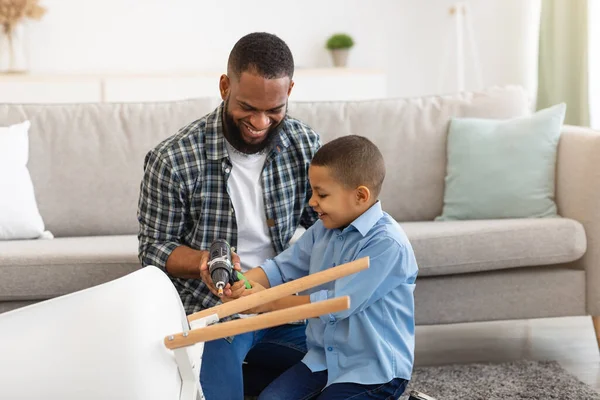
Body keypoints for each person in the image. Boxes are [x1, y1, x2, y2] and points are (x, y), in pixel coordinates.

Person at [136, 32, 321, 398]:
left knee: (352, 370)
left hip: (281, 307)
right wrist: (204, 261)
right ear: (225, 86)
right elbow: (154, 249)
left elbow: (327, 226)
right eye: (248, 107)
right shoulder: (172, 159)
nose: (261, 121)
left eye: (274, 109)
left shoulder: (305, 145)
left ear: (290, 91)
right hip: (215, 311)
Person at [239, 135, 419, 400]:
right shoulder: (323, 229)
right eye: (313, 191)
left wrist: (266, 302)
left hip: (373, 371)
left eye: (321, 194)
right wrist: (240, 284)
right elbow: (281, 269)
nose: (312, 202)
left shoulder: (387, 245)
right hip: (322, 358)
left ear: (360, 196)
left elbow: (337, 304)